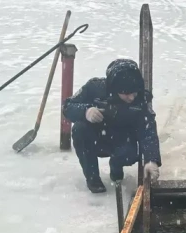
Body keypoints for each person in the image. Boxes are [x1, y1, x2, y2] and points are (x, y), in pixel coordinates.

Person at [63, 59, 161, 193]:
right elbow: (68, 106)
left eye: (134, 92)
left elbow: (148, 130)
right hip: (97, 138)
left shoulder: (140, 101)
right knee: (79, 129)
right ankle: (93, 179)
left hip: (124, 142)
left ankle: (116, 166)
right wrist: (86, 111)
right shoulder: (94, 88)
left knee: (130, 153)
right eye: (127, 93)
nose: (132, 97)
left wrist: (152, 160)